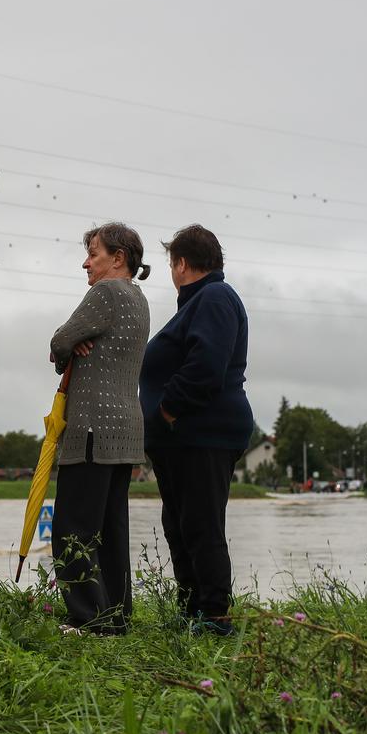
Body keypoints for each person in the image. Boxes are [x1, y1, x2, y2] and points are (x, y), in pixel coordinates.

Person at [139, 225, 253, 635]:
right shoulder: (196, 303)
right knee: (181, 525)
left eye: (172, 263)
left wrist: (168, 410)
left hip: (203, 433)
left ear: (182, 264)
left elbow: (206, 365)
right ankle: (191, 610)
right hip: (181, 439)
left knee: (202, 525)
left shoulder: (215, 297)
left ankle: (215, 616)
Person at [48, 223, 151, 635]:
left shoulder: (106, 293)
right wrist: (74, 344)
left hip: (93, 426)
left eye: (94, 253)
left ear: (118, 258)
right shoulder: (139, 299)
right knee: (110, 529)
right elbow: (73, 344)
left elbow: (59, 341)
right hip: (126, 430)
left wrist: (68, 344)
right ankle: (115, 614)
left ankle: (88, 618)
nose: (86, 262)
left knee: (73, 527)